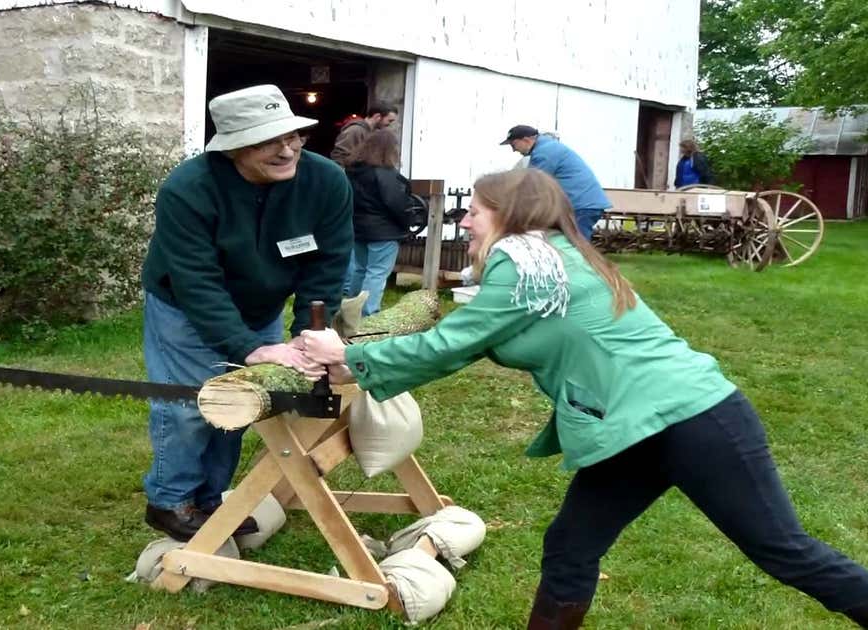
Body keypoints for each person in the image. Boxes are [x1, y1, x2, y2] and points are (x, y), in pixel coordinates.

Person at [301, 168, 868, 630]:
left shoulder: (520, 258)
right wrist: (360, 361)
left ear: (511, 214)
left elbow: (454, 342)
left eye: (475, 211)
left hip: (690, 420)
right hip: (629, 429)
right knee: (571, 545)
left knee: (783, 551)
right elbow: (467, 344)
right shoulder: (548, 255)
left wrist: (347, 353)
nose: (464, 221)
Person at [140, 85, 353, 541]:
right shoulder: (188, 190)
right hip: (185, 304)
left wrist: (307, 336)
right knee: (186, 405)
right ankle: (170, 499)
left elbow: (327, 265)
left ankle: (210, 500)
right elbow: (196, 281)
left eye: (292, 137)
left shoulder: (326, 182)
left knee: (237, 403)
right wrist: (248, 347)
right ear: (233, 147)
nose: (287, 150)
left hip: (260, 302)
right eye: (267, 141)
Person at [342, 129, 413, 316]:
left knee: (360, 270)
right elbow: (396, 203)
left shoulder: (352, 171)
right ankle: (367, 314)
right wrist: (408, 222)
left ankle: (350, 312)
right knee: (377, 273)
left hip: (358, 228)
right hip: (384, 232)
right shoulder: (386, 173)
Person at [501, 125, 610, 240]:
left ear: (526, 140)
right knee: (569, 242)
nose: (514, 150)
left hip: (580, 205)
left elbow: (534, 184)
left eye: (513, 145)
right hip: (582, 203)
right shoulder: (548, 147)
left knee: (575, 243)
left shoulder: (544, 152)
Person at [330, 101, 399, 167]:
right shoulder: (355, 130)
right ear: (377, 116)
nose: (390, 124)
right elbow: (339, 156)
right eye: (389, 121)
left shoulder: (374, 133)